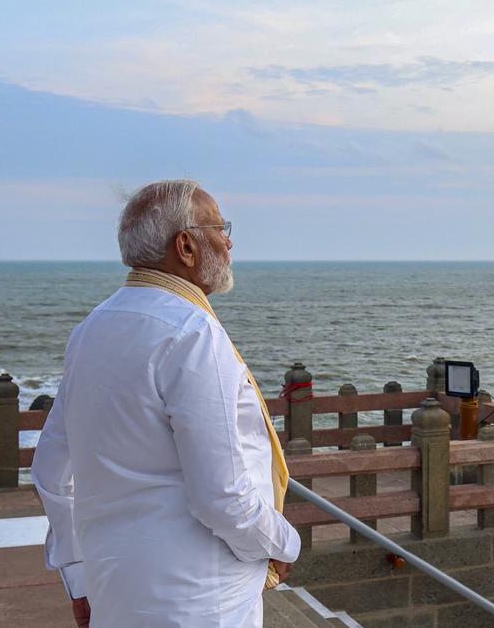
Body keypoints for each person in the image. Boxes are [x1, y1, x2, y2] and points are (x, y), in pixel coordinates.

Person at [32, 180, 299, 628]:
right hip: (199, 599)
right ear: (187, 246)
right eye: (220, 227)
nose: (229, 241)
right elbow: (222, 498)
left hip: (116, 588)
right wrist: (283, 542)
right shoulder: (193, 334)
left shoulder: (94, 327)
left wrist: (78, 576)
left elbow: (51, 469)